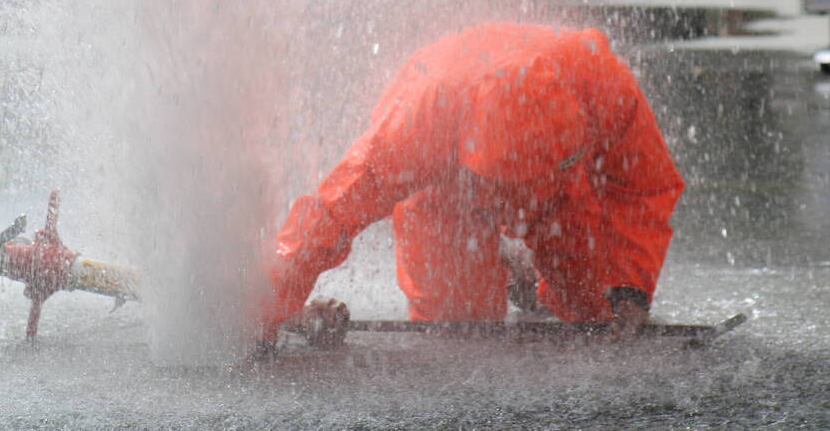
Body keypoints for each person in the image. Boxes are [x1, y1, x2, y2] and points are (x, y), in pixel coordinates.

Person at [261, 23, 685, 345]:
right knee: (456, 330)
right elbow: (333, 210)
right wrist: (270, 308)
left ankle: (527, 273)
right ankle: (507, 265)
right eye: (508, 188)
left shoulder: (600, 83)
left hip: (563, 192)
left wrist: (631, 289)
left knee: (594, 310)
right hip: (449, 188)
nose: (519, 206)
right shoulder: (420, 124)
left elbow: (642, 187)